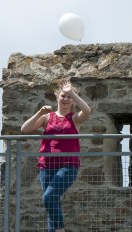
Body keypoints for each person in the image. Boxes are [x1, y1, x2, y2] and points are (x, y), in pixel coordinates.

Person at [21, 78, 91, 232]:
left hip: (68, 165)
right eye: (63, 96)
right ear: (57, 97)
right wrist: (40, 112)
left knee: (48, 197)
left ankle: (59, 230)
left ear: (73, 100)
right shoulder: (47, 117)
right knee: (52, 203)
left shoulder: (74, 118)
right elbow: (24, 129)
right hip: (46, 166)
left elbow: (87, 111)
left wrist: (71, 92)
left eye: (69, 97)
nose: (65, 99)